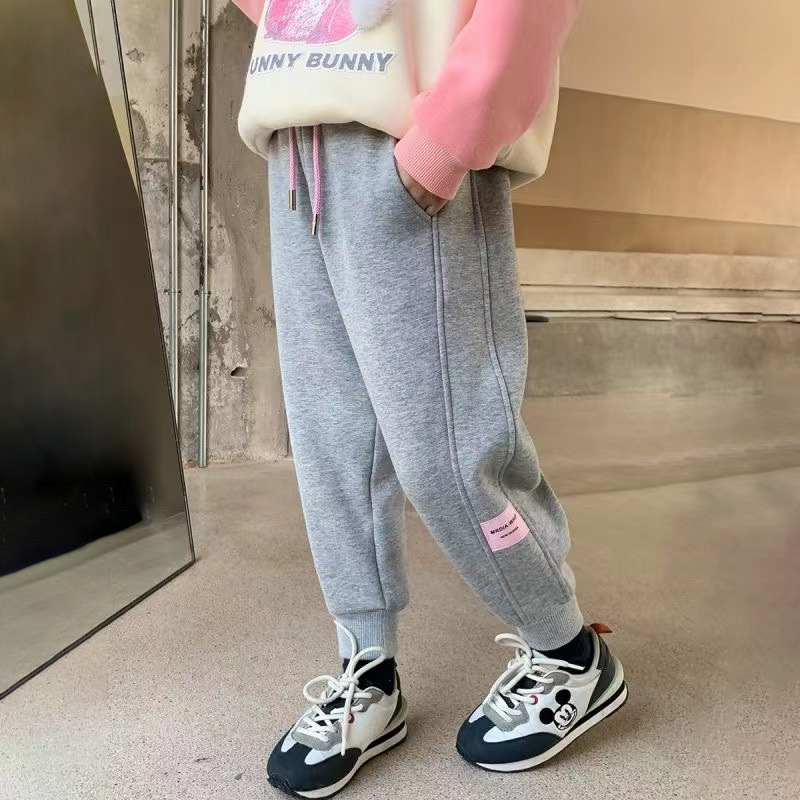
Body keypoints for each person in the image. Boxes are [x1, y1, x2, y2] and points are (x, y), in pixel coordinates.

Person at [233, 1, 627, 795]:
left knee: (448, 448)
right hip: (295, 145)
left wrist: (447, 138)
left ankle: (568, 651)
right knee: (333, 439)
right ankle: (367, 669)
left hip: (408, 140)